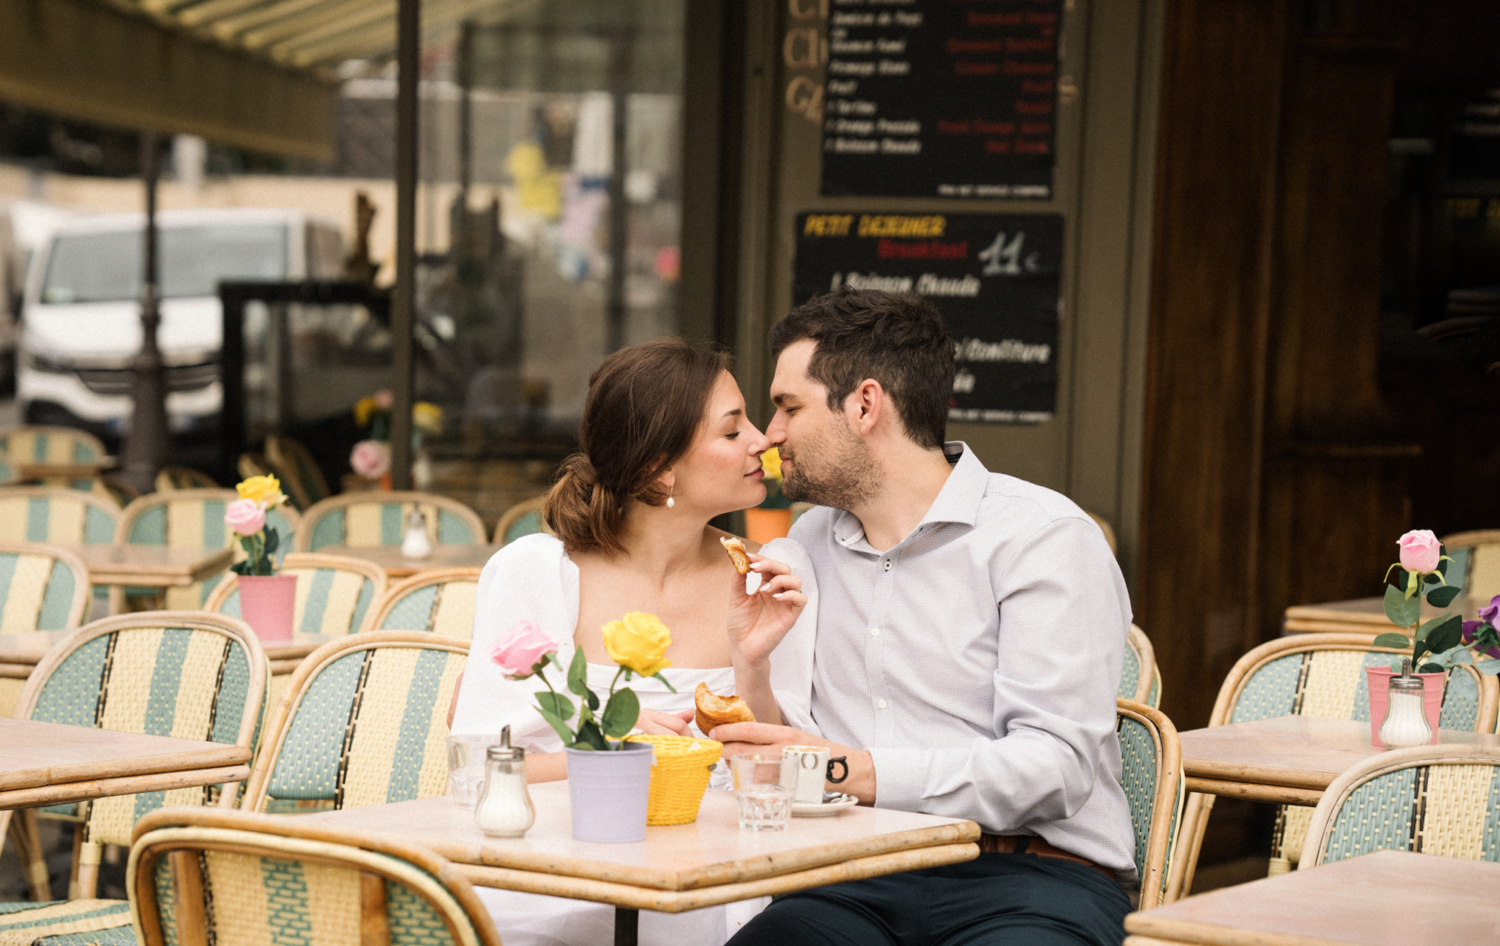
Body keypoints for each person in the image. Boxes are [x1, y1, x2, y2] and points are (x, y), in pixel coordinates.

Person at [714, 287, 1136, 946]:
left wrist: (851, 770)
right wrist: (750, 664)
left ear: (864, 405)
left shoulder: (1043, 538)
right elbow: (787, 760)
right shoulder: (806, 546)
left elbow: (1053, 769)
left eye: (788, 407)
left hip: (1030, 879)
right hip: (851, 879)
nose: (771, 436)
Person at [450, 338, 817, 946]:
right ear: (659, 468)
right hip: (551, 888)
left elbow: (788, 780)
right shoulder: (537, 573)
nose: (762, 439)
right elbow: (476, 777)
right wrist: (610, 753)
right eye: (732, 432)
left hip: (718, 890)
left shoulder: (772, 574)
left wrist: (751, 663)